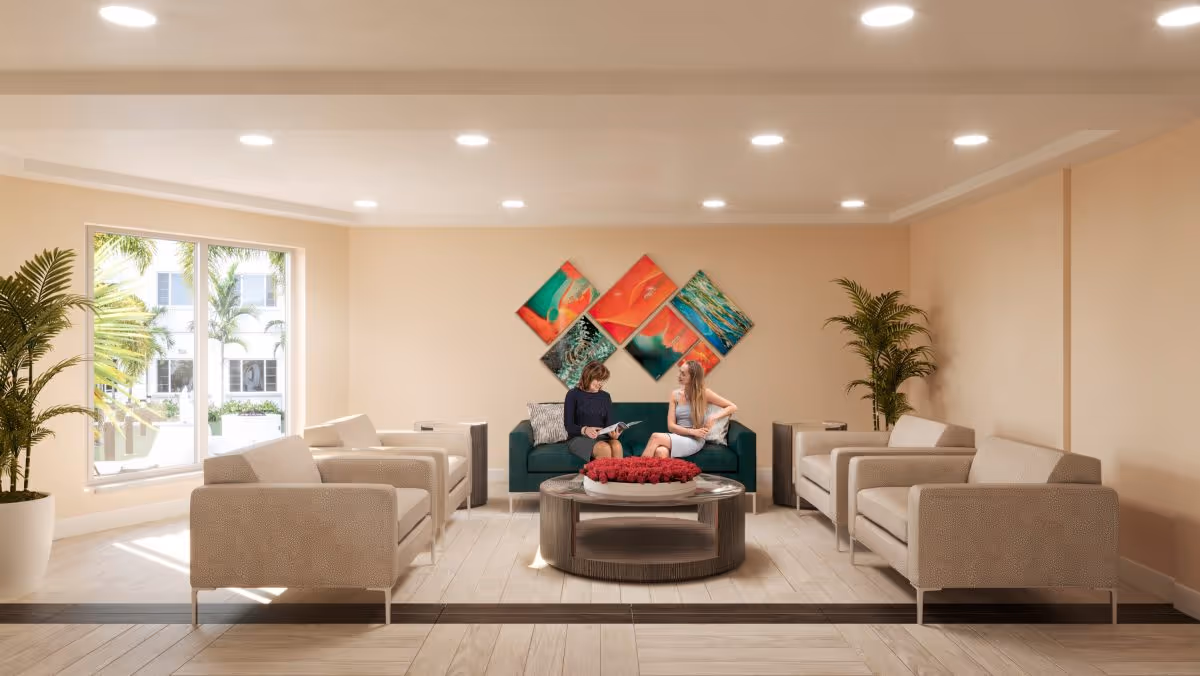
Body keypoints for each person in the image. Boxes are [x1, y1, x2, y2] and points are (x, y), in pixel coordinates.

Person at [643, 360, 737, 459]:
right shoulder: (675, 395)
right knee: (660, 452)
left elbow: (732, 406)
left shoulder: (704, 393)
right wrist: (692, 431)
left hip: (695, 440)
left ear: (693, 378)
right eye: (680, 372)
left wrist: (713, 417)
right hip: (679, 435)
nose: (679, 376)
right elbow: (671, 426)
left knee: (655, 437)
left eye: (683, 374)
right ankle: (664, 474)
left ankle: (635, 472)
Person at [564, 361, 624, 460]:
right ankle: (602, 475)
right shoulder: (572, 394)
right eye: (598, 379)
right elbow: (568, 426)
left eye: (603, 380)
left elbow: (609, 423)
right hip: (579, 437)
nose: (600, 383)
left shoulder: (605, 396)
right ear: (588, 377)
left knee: (617, 445)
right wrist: (585, 430)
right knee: (603, 448)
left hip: (602, 437)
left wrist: (613, 433)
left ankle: (618, 476)